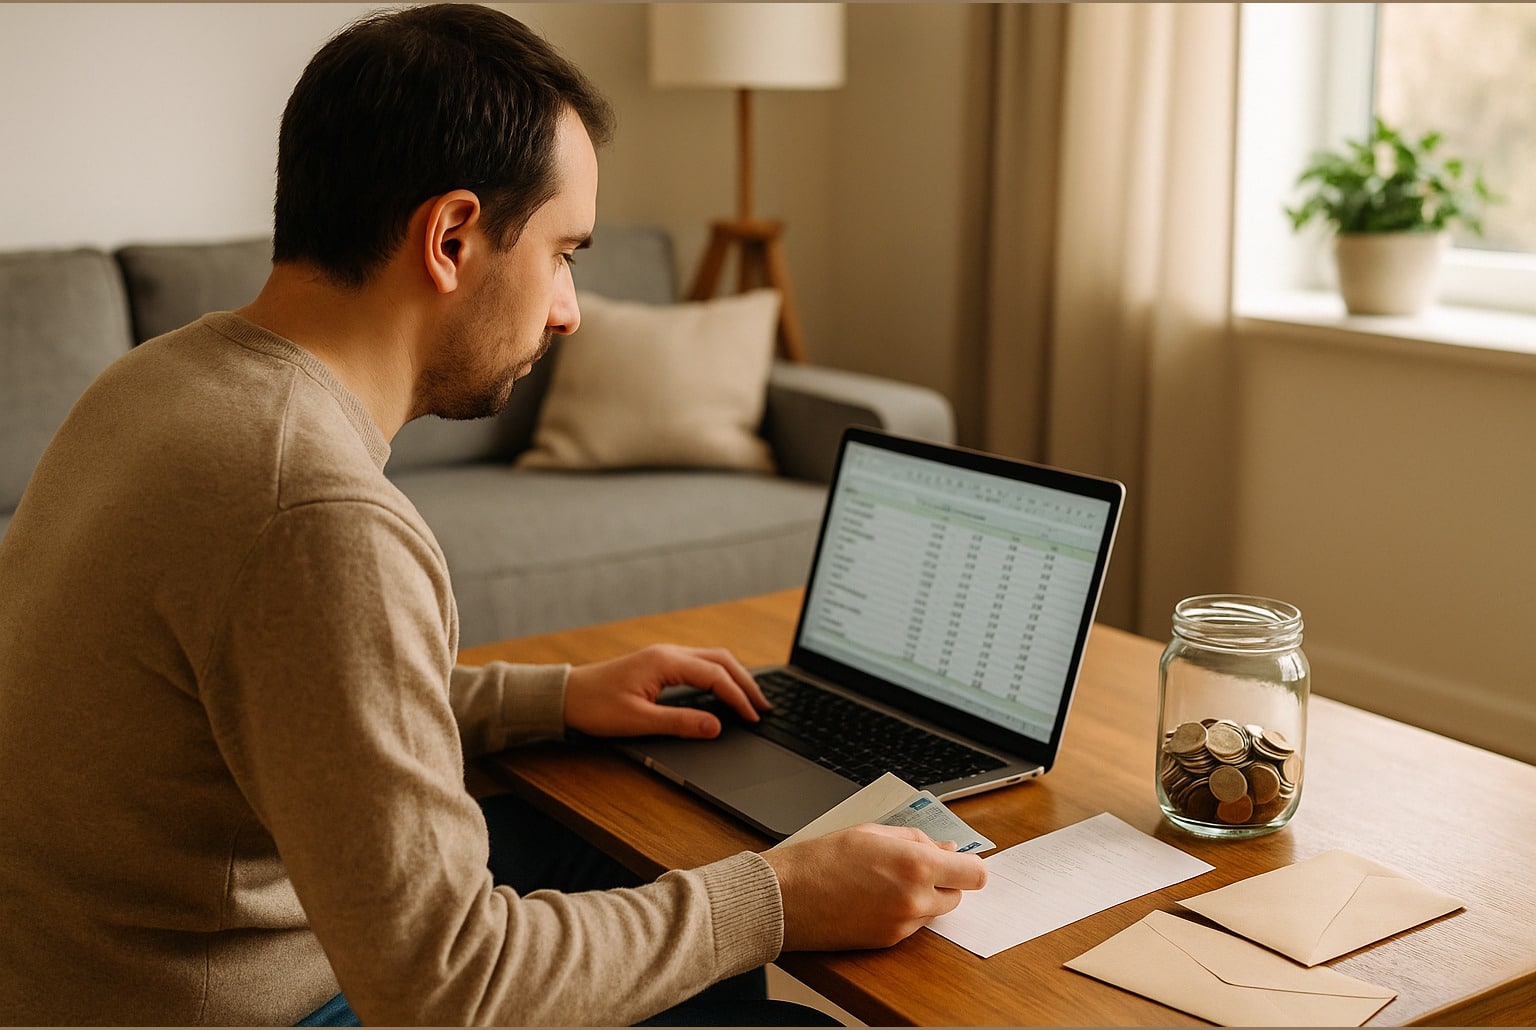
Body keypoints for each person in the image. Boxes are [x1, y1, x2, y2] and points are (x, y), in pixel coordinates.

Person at [0, 5, 987, 1026]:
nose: (568, 309)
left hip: (87, 972)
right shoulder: (315, 512)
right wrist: (782, 898)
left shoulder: (154, 383)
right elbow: (447, 988)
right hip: (238, 1003)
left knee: (647, 875)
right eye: (564, 253)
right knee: (770, 997)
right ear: (452, 236)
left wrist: (554, 698)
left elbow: (285, 694)